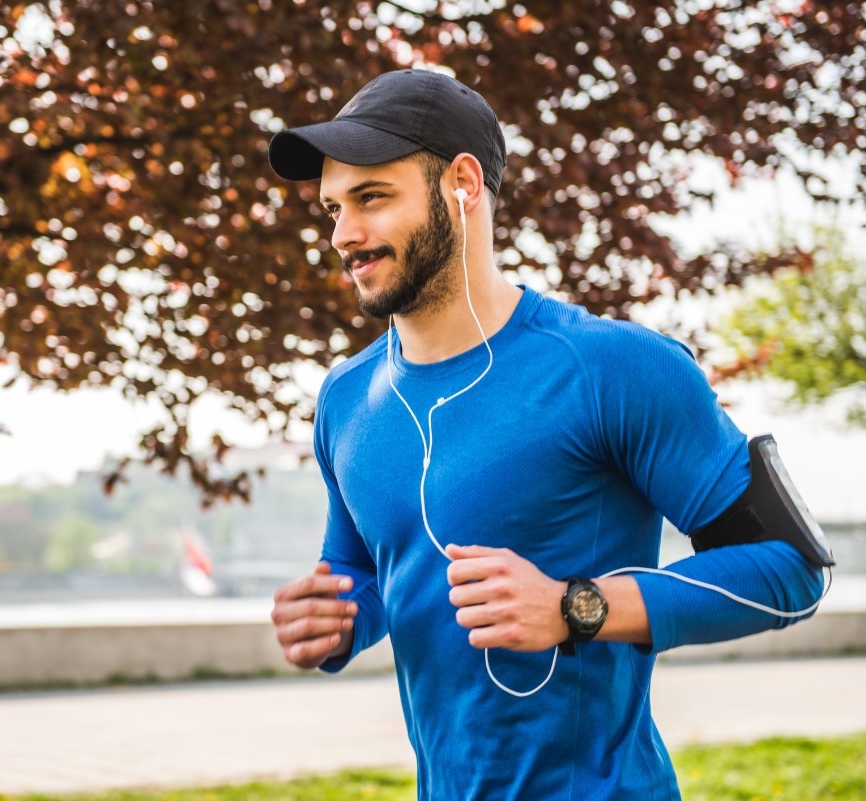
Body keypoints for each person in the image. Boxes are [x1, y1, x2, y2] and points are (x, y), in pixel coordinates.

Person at [265, 69, 828, 800]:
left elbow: (790, 571)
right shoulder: (346, 399)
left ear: (462, 185)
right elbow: (367, 573)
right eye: (333, 208)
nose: (344, 234)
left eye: (372, 198)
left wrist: (576, 607)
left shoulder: (614, 368)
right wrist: (334, 618)